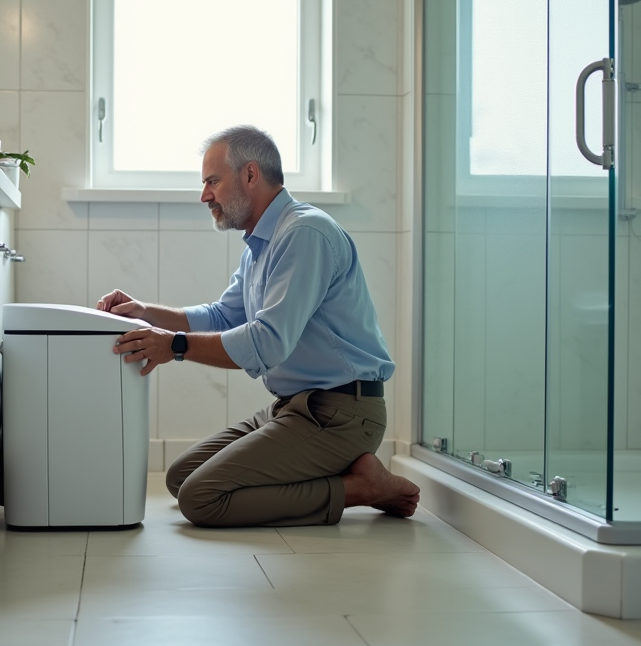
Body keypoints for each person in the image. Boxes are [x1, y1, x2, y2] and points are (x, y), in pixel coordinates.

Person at [96, 125, 420, 528]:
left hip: (340, 414)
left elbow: (268, 343)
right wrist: (145, 312)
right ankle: (336, 473)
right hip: (294, 407)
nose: (204, 196)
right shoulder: (261, 245)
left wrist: (175, 346)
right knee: (181, 478)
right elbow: (222, 315)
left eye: (212, 181)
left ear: (250, 174)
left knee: (202, 498)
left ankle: (361, 488)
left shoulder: (303, 233)